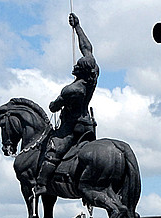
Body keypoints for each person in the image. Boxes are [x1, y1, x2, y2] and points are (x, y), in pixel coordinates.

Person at [35, 13, 99, 196]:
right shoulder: (93, 76)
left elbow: (55, 106)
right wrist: (77, 27)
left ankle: (41, 184)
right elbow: (87, 48)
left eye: (77, 67)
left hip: (73, 127)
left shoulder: (72, 90)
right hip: (89, 124)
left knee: (53, 151)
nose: (75, 67)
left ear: (80, 70)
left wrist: (53, 105)